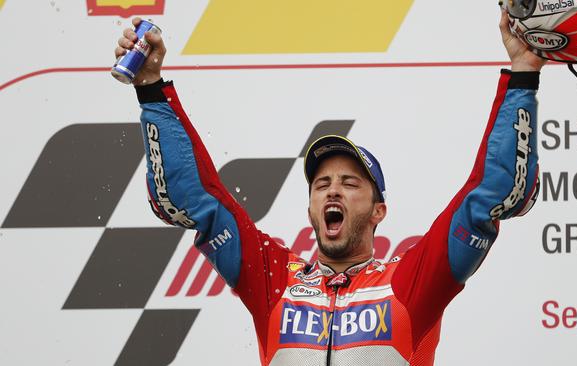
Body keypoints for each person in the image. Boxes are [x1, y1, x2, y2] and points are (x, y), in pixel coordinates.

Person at [115, 9, 545, 366]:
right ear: (310, 209)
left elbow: (489, 195)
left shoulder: (410, 282)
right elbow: (198, 200)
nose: (332, 191)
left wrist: (523, 73)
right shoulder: (274, 281)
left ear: (379, 210)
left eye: (350, 183)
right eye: (321, 184)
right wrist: (150, 87)